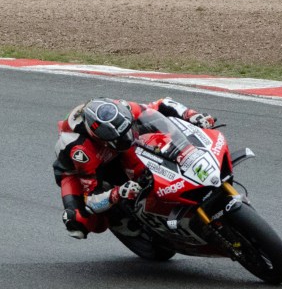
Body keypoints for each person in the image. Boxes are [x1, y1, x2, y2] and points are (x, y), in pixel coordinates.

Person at [53, 97, 217, 239]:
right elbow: (90, 199)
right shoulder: (80, 151)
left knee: (156, 142)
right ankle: (116, 220)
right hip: (80, 171)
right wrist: (118, 193)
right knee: (78, 222)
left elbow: (162, 104)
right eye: (120, 137)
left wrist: (192, 115)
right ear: (98, 138)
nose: (127, 137)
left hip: (116, 149)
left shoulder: (122, 108)